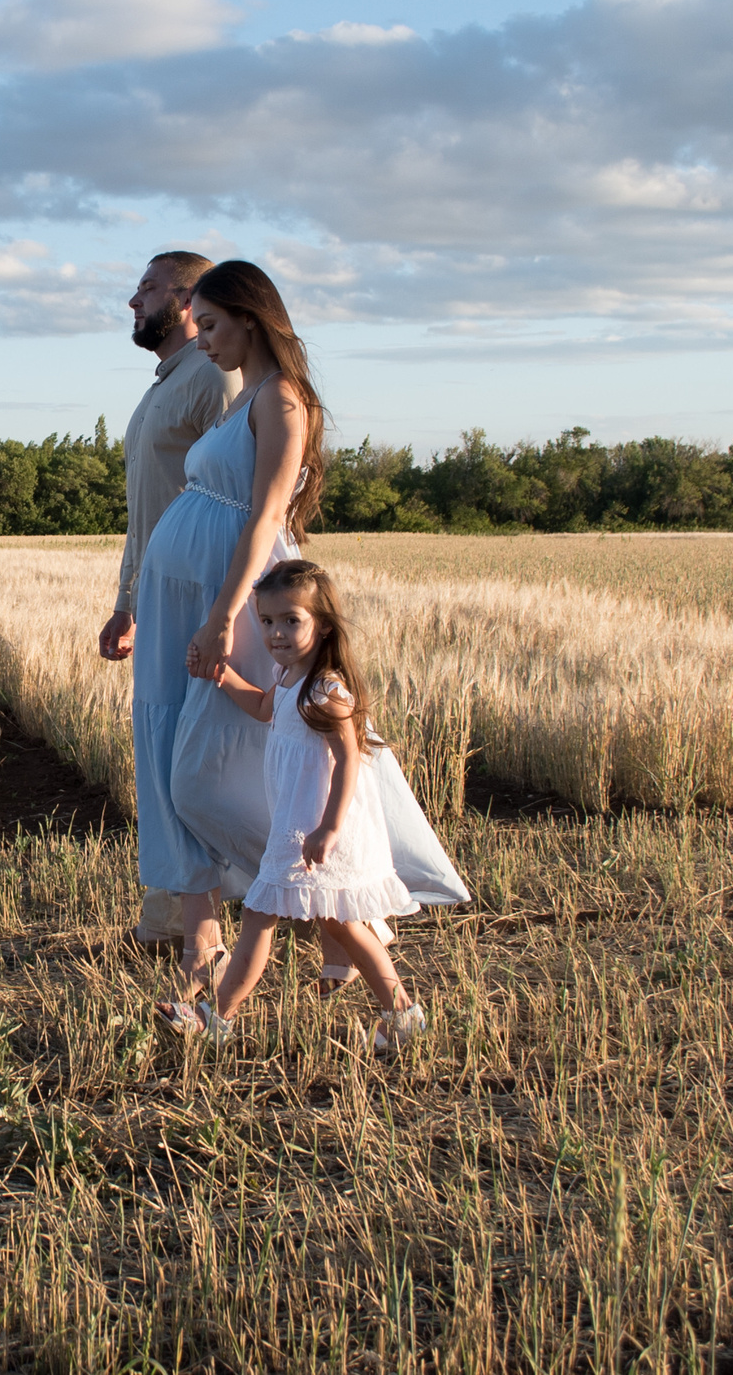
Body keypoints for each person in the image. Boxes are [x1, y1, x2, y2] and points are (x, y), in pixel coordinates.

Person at [153, 560, 469, 1054]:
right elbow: (263, 708)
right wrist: (220, 675)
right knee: (337, 923)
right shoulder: (287, 678)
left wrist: (329, 828)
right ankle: (402, 1012)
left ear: (321, 624)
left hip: (312, 831)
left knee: (264, 913)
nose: (276, 633)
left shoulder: (327, 692)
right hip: (294, 826)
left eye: (290, 621)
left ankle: (215, 1017)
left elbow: (349, 763)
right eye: (267, 621)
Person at [130, 259, 332, 1003]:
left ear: (251, 317)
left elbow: (266, 517)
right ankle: (199, 936)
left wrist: (223, 616)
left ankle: (326, 901)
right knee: (165, 751)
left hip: (226, 594)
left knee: (213, 766)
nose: (202, 338)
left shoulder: (280, 400)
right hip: (180, 593)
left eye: (211, 324)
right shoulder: (243, 394)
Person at [99, 251, 239, 947]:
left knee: (206, 751)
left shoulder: (215, 379)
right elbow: (144, 510)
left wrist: (231, 609)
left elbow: (239, 491)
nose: (133, 300)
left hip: (201, 595)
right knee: (162, 748)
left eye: (148, 288)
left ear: (188, 299)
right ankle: (171, 915)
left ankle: (301, 905)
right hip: (158, 595)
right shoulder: (164, 386)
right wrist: (125, 600)